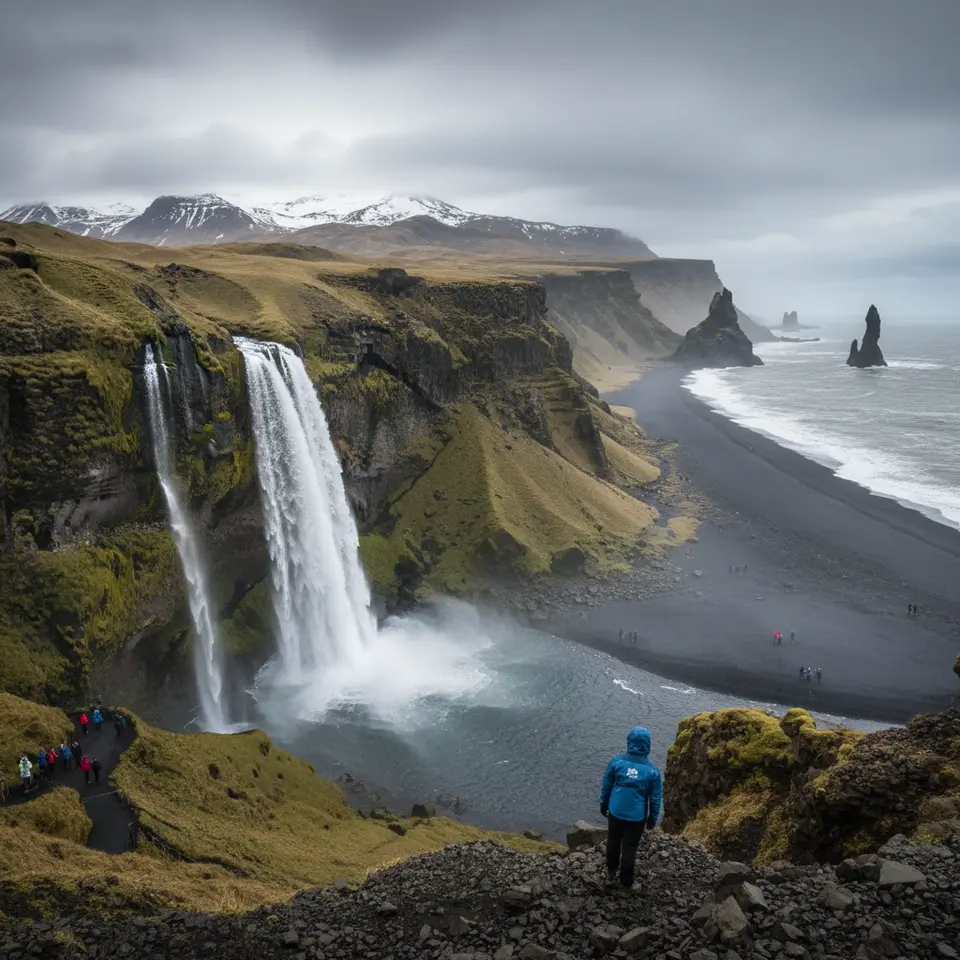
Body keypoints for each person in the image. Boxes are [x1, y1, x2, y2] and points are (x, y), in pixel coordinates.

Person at [600, 726, 662, 893]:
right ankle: (626, 883)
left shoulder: (617, 761)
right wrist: (652, 818)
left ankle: (610, 875)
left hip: (615, 811)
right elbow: (655, 798)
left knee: (613, 841)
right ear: (647, 745)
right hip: (636, 816)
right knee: (630, 847)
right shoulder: (652, 770)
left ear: (629, 741)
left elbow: (606, 786)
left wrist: (603, 804)